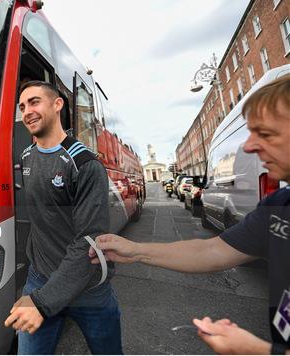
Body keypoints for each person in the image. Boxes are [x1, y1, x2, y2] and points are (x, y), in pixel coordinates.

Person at [90, 75, 290, 355]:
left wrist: (257, 351)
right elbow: (213, 250)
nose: (248, 146)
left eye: (266, 134)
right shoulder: (279, 206)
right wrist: (135, 251)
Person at [4, 80, 122, 354]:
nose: (27, 112)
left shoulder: (85, 164)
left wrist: (42, 302)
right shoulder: (27, 157)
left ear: (57, 105)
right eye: (22, 107)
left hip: (88, 288)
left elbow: (89, 242)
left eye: (34, 102)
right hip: (40, 277)